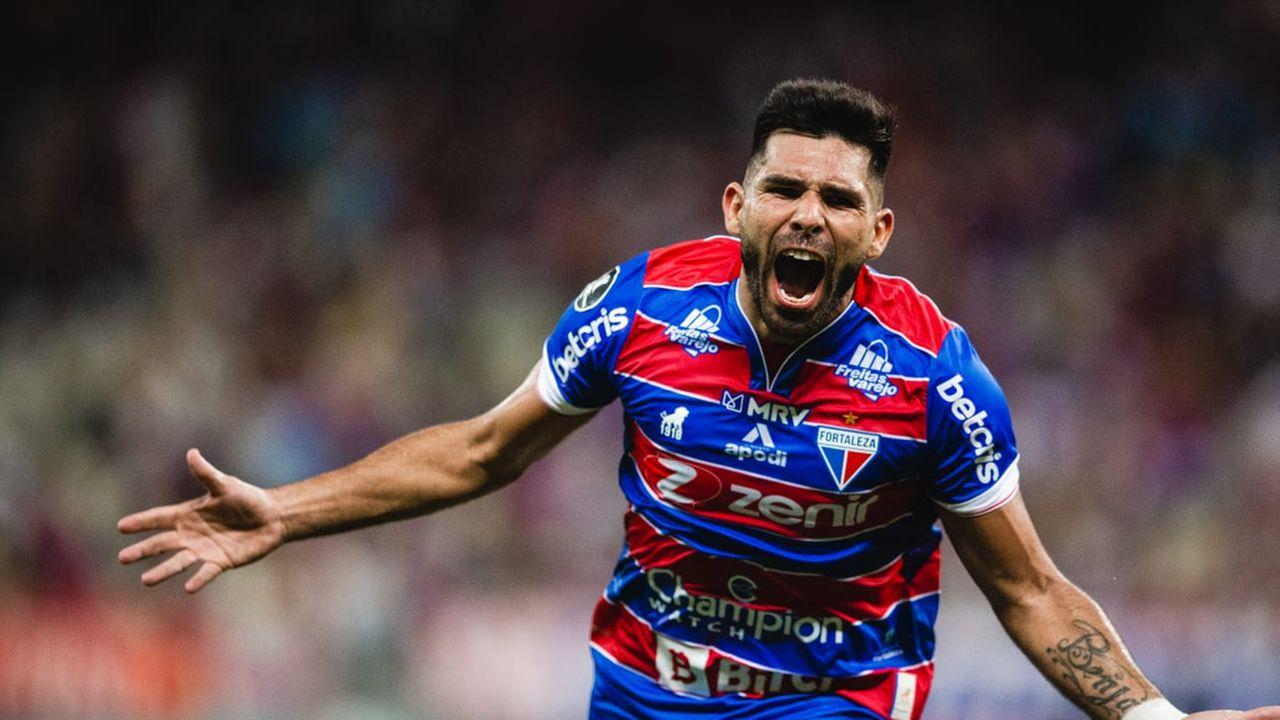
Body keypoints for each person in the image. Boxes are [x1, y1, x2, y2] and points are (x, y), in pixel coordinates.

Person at [118, 79, 1277, 720]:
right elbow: (479, 453)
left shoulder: (935, 378)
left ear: (876, 232)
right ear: (736, 206)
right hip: (638, 694)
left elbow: (1024, 588)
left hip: (831, 701)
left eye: (837, 199)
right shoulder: (637, 309)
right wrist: (286, 511)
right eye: (784, 188)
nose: (806, 215)